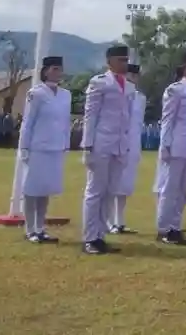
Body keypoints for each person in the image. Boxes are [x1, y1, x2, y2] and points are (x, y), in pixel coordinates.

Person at [80, 45, 135, 255]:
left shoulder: (129, 87)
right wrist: (87, 145)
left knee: (110, 192)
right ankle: (89, 238)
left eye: (126, 59)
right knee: (95, 192)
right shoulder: (99, 83)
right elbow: (90, 115)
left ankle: (100, 235)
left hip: (119, 145)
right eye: (120, 60)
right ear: (109, 61)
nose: (124, 63)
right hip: (101, 143)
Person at [18, 56, 71, 244]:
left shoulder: (66, 94)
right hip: (38, 147)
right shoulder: (36, 93)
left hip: (55, 147)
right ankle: (30, 229)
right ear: (46, 70)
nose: (58, 73)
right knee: (32, 190)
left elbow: (66, 123)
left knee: (46, 190)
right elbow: (28, 122)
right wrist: (24, 146)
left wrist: (66, 143)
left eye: (60, 69)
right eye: (55, 69)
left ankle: (40, 228)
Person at [154, 52, 186, 245]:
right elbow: (167, 119)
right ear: (184, 66)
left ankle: (175, 226)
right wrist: (165, 145)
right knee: (169, 188)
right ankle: (164, 228)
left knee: (183, 190)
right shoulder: (175, 90)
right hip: (175, 145)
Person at [110, 63, 146, 235]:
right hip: (117, 144)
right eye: (130, 75)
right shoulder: (117, 94)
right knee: (112, 185)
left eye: (135, 76)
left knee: (125, 186)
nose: (133, 79)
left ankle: (120, 221)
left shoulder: (140, 98)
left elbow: (138, 124)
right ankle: (109, 221)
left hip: (132, 145)